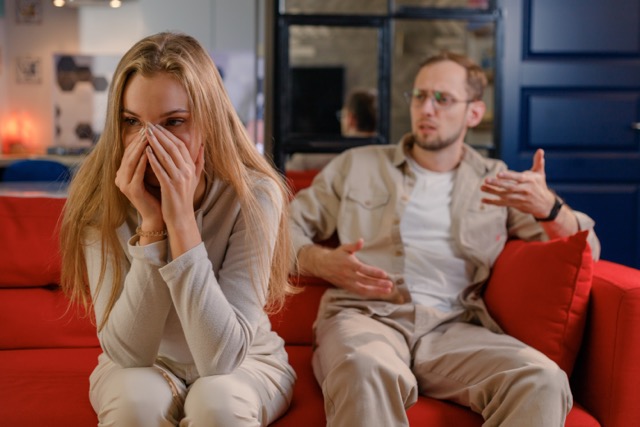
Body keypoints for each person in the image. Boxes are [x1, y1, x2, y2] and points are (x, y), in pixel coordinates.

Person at [288, 51, 600, 427]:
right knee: (364, 368)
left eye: (443, 99)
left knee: (542, 379)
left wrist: (549, 207)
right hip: (366, 317)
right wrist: (321, 262)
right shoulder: (358, 164)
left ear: (473, 113)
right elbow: (281, 228)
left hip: (455, 328)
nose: (427, 109)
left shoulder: (496, 181)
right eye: (419, 96)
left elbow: (587, 251)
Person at [60, 32, 296, 426]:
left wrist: (182, 222)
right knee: (134, 403)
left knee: (216, 404)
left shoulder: (255, 195)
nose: (150, 144)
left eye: (174, 122)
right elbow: (128, 352)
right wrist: (153, 229)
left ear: (209, 122)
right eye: (132, 122)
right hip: (143, 364)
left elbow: (221, 357)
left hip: (245, 361)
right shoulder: (97, 198)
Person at [286, 88, 377, 171]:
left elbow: (289, 172)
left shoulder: (316, 156)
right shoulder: (383, 155)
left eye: (343, 115)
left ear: (350, 119)